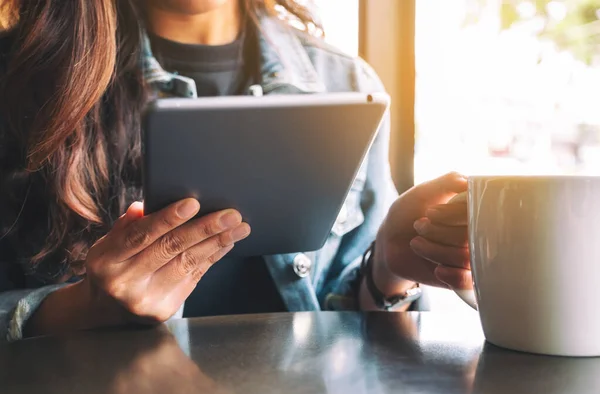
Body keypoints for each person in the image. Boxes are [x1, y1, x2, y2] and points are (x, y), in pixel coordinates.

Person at [0, 0, 471, 342]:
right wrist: (80, 309)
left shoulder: (343, 82)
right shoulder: (19, 80)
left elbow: (348, 325)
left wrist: (387, 266)